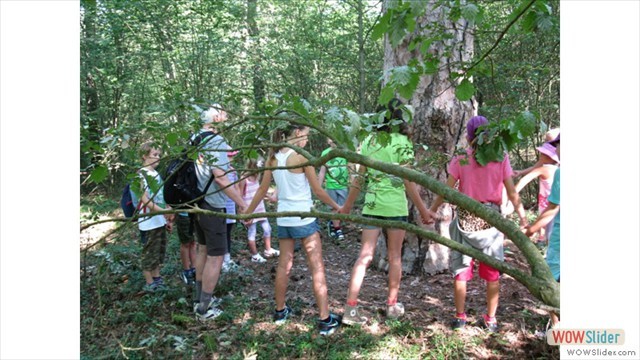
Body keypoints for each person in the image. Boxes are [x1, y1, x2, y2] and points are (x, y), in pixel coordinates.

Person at [428, 115, 528, 332]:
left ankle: (460, 317)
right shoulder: (500, 156)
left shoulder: (462, 157)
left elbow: (446, 189)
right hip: (491, 220)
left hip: (465, 216)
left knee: (461, 269)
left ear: (468, 135)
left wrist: (432, 210)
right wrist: (522, 218)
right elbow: (511, 191)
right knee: (492, 272)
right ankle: (491, 320)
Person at [339, 98, 435, 325]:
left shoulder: (371, 140)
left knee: (364, 256)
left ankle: (350, 310)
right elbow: (409, 182)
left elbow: (359, 178)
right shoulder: (402, 142)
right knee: (394, 257)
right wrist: (424, 211)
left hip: (372, 205)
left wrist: (347, 206)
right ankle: (391, 306)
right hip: (395, 207)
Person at [244, 124, 343, 336]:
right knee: (316, 267)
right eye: (306, 134)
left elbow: (262, 189)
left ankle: (280, 311)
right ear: (297, 133)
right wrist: (338, 208)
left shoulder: (274, 157)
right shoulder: (300, 157)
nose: (307, 140)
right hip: (303, 218)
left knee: (283, 266)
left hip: (284, 219)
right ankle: (325, 319)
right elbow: (317, 190)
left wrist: (248, 213)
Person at [193, 104, 248, 321]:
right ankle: (204, 309)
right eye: (224, 112)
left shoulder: (195, 138)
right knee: (215, 256)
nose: (227, 115)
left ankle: (199, 300)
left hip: (196, 203)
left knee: (203, 251)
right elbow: (221, 177)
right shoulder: (215, 142)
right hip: (213, 205)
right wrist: (241, 203)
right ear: (216, 116)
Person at [525, 134, 560, 328]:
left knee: (552, 281)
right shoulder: (556, 170)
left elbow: (552, 210)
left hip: (559, 239)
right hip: (555, 233)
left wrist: (529, 230)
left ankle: (556, 327)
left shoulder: (560, 173)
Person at [134, 141, 174, 292]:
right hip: (148, 221)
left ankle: (157, 278)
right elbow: (145, 200)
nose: (158, 158)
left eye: (159, 155)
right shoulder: (141, 175)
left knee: (158, 251)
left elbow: (160, 197)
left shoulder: (156, 174)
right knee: (149, 252)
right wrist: (163, 212)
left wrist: (167, 213)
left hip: (159, 220)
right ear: (145, 156)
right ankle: (150, 283)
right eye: (154, 155)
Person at [515, 141, 559, 247]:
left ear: (550, 157)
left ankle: (544, 249)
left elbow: (525, 180)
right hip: (555, 205)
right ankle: (543, 244)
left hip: (548, 206)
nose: (541, 155)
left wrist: (512, 193)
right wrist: (520, 172)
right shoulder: (557, 169)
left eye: (544, 154)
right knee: (553, 235)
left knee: (550, 234)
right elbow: (533, 169)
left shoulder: (544, 169)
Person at [239, 158, 279, 262]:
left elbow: (259, 190)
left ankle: (268, 249)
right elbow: (239, 194)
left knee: (267, 229)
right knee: (252, 231)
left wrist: (269, 196)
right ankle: (255, 255)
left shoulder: (256, 177)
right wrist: (242, 211)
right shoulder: (244, 178)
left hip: (260, 207)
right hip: (249, 209)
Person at [318, 138, 350, 240]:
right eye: (330, 139)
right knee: (333, 208)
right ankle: (337, 229)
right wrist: (318, 186)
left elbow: (350, 168)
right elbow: (322, 171)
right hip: (331, 186)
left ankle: (333, 223)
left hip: (343, 186)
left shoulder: (345, 152)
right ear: (327, 140)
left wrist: (354, 183)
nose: (333, 140)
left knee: (342, 208)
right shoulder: (325, 153)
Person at [222, 150, 241, 272]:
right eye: (229, 155)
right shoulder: (219, 171)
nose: (231, 158)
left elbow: (237, 187)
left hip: (230, 207)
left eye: (232, 156)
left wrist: (239, 204)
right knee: (221, 232)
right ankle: (222, 260)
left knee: (228, 232)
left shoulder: (233, 171)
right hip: (221, 206)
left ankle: (227, 258)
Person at [175, 212, 196, 285]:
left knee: (193, 243)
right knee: (186, 243)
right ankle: (187, 271)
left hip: (195, 214)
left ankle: (194, 268)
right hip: (183, 215)